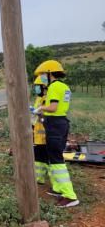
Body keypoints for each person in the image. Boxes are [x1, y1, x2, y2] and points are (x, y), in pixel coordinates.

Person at [33, 60, 79, 208]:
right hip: (62, 123)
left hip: (54, 125)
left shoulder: (53, 86)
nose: (43, 78)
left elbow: (53, 107)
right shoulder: (65, 87)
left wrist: (40, 108)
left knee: (57, 160)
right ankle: (58, 189)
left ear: (49, 73)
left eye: (43, 74)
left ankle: (70, 196)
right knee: (54, 158)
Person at [30, 75, 48, 185]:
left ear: (44, 87)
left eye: (38, 86)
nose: (37, 89)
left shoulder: (47, 98)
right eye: (36, 86)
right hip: (37, 131)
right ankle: (39, 178)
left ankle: (43, 177)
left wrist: (38, 113)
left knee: (44, 156)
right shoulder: (39, 98)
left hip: (44, 132)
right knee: (38, 155)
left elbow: (45, 115)